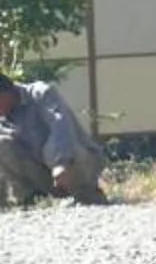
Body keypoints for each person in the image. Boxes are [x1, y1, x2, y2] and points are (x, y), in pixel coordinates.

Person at [0, 75, 106, 205]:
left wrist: (60, 163)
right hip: (43, 171)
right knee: (2, 144)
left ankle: (85, 193)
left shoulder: (41, 93)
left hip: (76, 160)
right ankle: (29, 199)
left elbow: (61, 125)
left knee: (51, 146)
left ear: (7, 92)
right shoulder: (4, 117)